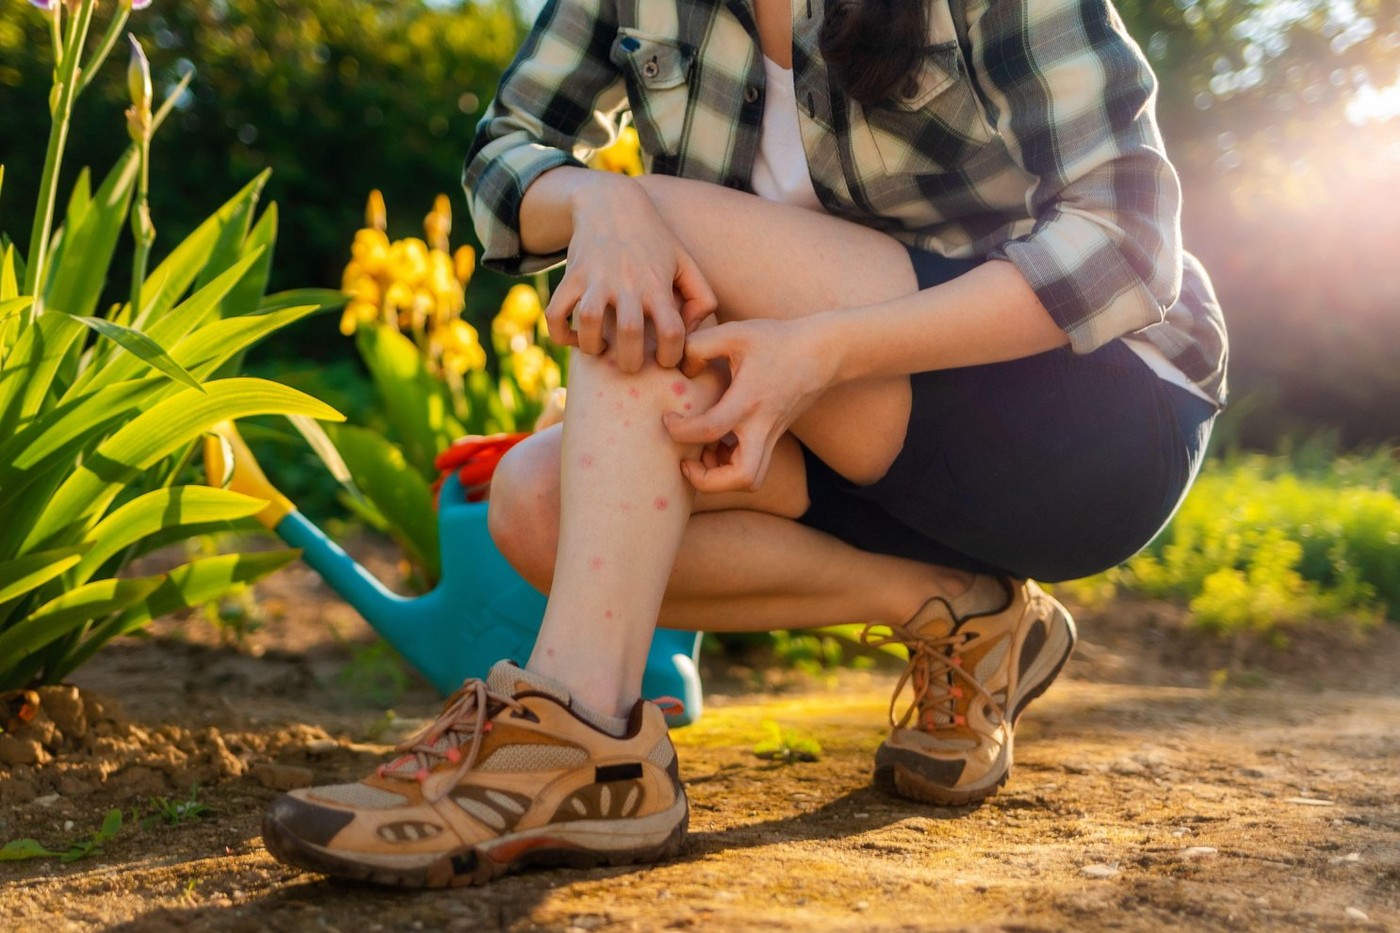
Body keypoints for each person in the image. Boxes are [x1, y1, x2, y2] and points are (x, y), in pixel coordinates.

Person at [262, 0, 1227, 887]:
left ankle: (576, 728)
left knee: (665, 224)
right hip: (833, 418)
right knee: (532, 502)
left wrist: (826, 352)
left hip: (1093, 416)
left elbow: (1126, 240)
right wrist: (601, 207)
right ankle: (963, 614)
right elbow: (505, 151)